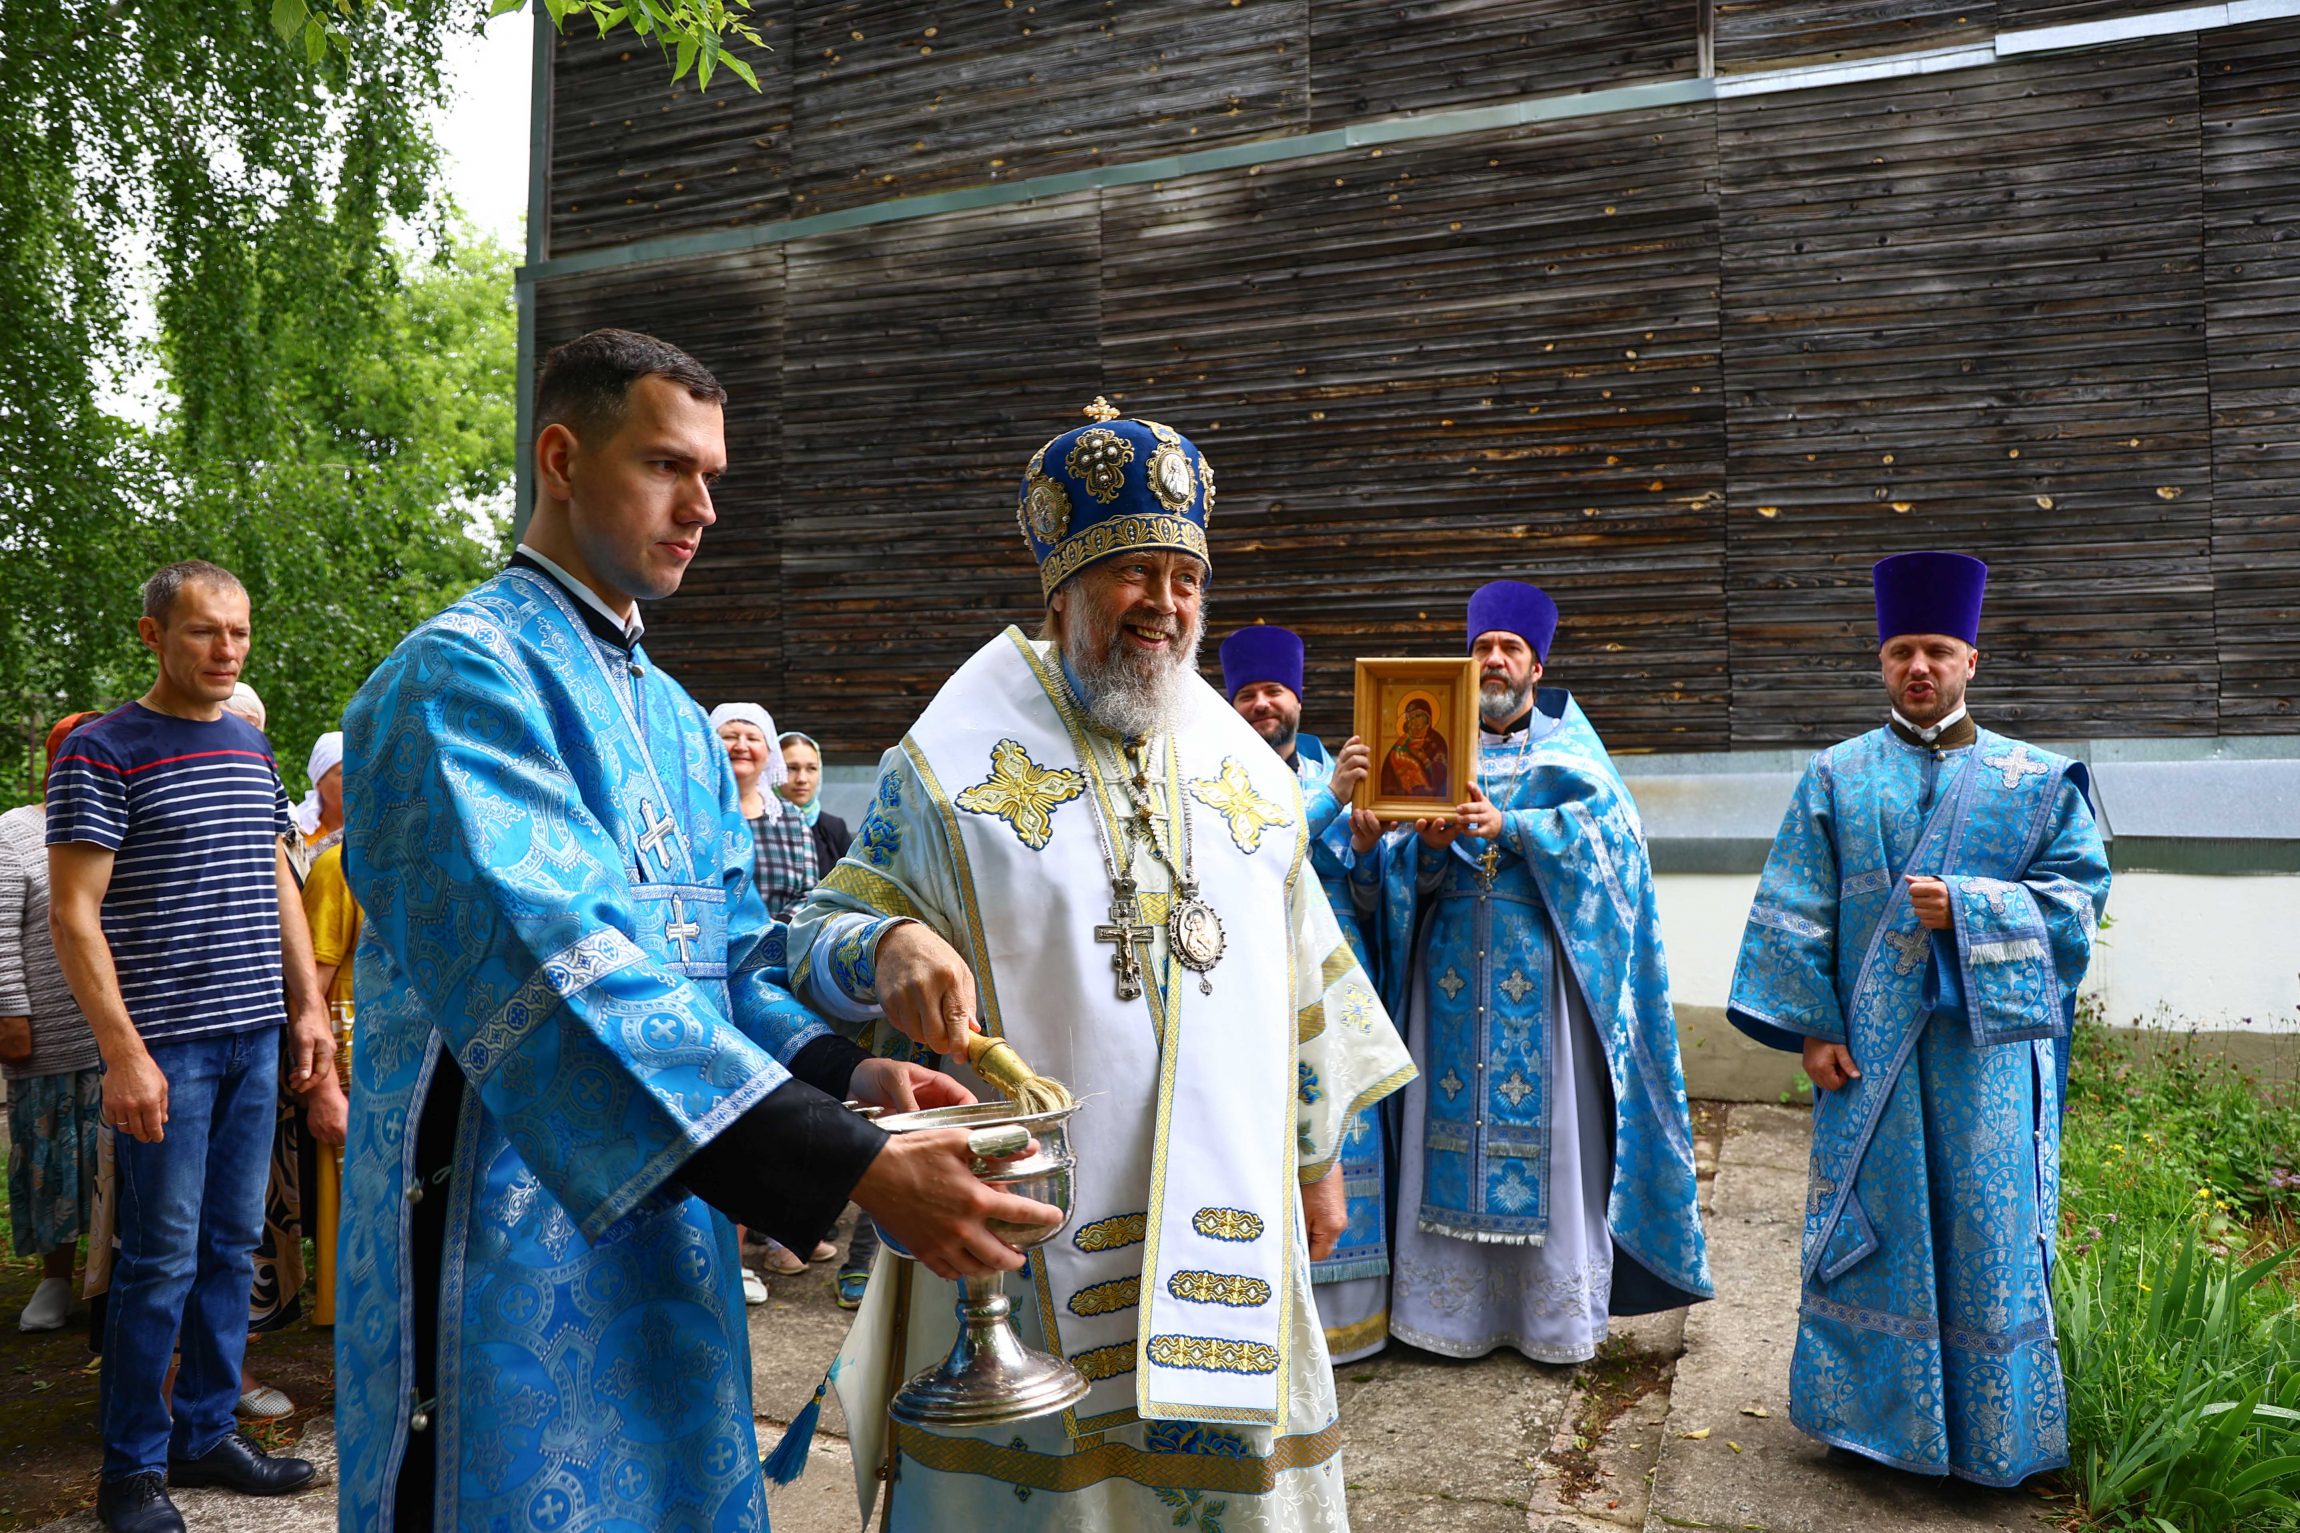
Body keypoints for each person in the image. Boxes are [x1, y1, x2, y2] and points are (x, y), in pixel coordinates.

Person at [333, 326, 1055, 1532]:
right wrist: (849, 1165)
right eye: (670, 466)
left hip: (673, 1244)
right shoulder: (459, 682)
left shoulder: (676, 722)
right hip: (503, 1267)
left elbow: (728, 962)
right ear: (562, 458)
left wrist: (848, 1076)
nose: (704, 507)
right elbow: (566, 974)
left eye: (713, 476)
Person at [788, 398, 1416, 1530]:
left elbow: (1303, 981)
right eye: (1132, 573)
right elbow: (810, 934)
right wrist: (885, 943)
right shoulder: (947, 764)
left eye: (1183, 579)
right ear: (1062, 590)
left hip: (1233, 1218)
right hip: (1026, 1236)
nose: (1163, 608)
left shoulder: (1248, 773)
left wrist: (1316, 1161)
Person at [1726, 551, 2110, 1487]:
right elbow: (1795, 905)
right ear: (1883, 660)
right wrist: (1813, 1026)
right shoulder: (1837, 774)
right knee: (1879, 1230)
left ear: (1971, 657)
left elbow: (2078, 897)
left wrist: (1973, 907)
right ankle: (1869, 1426)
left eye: (1937, 649)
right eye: (1902, 650)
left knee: (1986, 1238)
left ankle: (1988, 1440)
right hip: (1869, 1059)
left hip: (1983, 1061)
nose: (1919, 668)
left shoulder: (2035, 779)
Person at [1354, 579, 1711, 1365]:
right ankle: (1448, 1316)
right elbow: (1398, 872)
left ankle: (1549, 1321)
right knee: (1438, 1134)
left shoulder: (1571, 751)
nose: (1494, 659)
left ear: (1538, 667)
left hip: (1538, 979)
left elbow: (1617, 849)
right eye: (1482, 648)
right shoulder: (1434, 755)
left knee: (1551, 1141)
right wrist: (1433, 847)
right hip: (1445, 979)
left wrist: (1512, 825)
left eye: (1509, 648)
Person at [46, 561, 334, 1533]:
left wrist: (305, 1009)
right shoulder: (101, 749)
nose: (226, 650)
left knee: (231, 1247)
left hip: (257, 1040)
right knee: (157, 1260)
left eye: (239, 632)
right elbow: (74, 916)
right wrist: (123, 1055)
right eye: (205, 632)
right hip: (167, 1050)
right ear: (153, 635)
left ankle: (206, 1432)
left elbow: (278, 882)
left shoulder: (251, 750)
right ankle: (132, 1467)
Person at [1219, 624, 1394, 1362]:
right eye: (1248, 694)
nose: (1263, 704)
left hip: (1337, 981)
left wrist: (1362, 851)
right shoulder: (1218, 777)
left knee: (1347, 1129)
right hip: (1255, 987)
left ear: (1298, 698)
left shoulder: (1338, 764)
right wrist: (1328, 804)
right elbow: (1251, 864)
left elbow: (1372, 895)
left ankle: (1352, 1329)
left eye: (1274, 692)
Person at [707, 701, 838, 1294]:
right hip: (711, 967)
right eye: (727, 735)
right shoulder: (699, 809)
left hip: (775, 968)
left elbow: (811, 894)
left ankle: (785, 1233)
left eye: (752, 736)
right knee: (727, 1107)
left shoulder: (791, 818)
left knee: (788, 1099)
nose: (741, 745)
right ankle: (728, 1257)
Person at [1, 712, 106, 1334]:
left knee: (114, 1163)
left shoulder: (119, 820)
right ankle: (54, 1277)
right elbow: (0, 934)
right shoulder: (16, 832)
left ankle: (111, 1281)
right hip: (48, 1031)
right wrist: (10, 1012)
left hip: (121, 1029)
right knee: (52, 1160)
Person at [296, 733, 358, 1327]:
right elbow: (310, 989)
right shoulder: (337, 866)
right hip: (353, 1059)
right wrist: (321, 1086)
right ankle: (347, 1313)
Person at [777, 729, 852, 871]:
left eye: (811, 768)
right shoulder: (758, 823)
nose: (802, 779)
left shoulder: (834, 828)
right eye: (791, 768)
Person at [1377, 697, 1451, 799]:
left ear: (1428, 718)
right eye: (1411, 717)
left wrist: (1424, 759)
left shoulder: (1437, 741)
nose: (1414, 720)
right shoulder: (1404, 740)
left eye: (1418, 716)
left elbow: (1444, 774)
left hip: (1432, 801)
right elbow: (1387, 775)